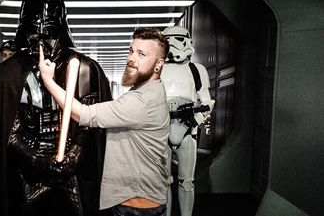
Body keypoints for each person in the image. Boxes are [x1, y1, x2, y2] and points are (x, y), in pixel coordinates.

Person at [0, 0, 112, 216]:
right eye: (34, 34)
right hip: (29, 169)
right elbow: (8, 133)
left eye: (49, 33)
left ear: (61, 31)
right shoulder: (9, 75)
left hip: (73, 170)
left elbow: (90, 125)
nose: (41, 44)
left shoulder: (84, 69)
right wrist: (37, 160)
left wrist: (72, 157)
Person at [39, 27, 171, 216]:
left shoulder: (142, 101)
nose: (131, 59)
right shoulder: (150, 91)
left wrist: (48, 81)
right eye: (131, 51)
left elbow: (84, 114)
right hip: (140, 199)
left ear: (158, 64)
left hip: (136, 203)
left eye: (142, 54)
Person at [160, 26, 215, 216]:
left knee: (187, 182)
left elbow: (207, 101)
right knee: (163, 181)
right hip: (162, 129)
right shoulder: (157, 68)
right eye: (169, 40)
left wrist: (196, 119)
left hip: (188, 129)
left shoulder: (196, 70)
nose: (174, 45)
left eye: (178, 39)